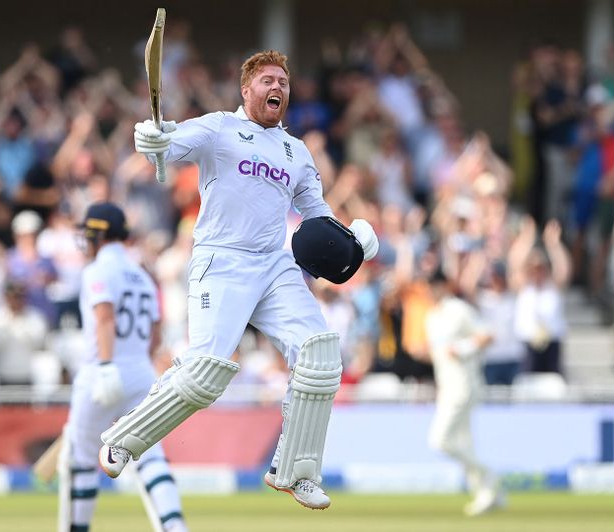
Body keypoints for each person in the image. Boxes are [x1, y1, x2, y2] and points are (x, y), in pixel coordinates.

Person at [98, 50, 379, 510]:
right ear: (246, 89)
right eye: (267, 80)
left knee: (322, 353)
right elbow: (167, 142)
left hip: (273, 262)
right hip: (222, 261)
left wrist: (350, 244)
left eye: (284, 82)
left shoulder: (297, 150)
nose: (277, 88)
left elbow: (316, 216)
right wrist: (151, 137)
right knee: (206, 373)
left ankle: (295, 470)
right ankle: (124, 439)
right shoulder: (219, 128)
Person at [58, 202, 187, 532]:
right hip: (141, 373)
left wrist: (105, 365)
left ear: (98, 234)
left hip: (100, 370)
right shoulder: (142, 275)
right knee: (151, 455)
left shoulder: (97, 270)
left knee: (82, 460)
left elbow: (105, 317)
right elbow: (155, 332)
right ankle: (174, 526)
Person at [424, 270, 504, 516]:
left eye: (435, 285)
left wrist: (462, 348)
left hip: (464, 387)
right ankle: (488, 494)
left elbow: (487, 335)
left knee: (440, 441)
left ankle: (488, 476)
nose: (432, 290)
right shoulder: (431, 316)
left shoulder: (458, 309)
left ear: (445, 286)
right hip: (447, 387)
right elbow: (438, 356)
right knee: (463, 443)